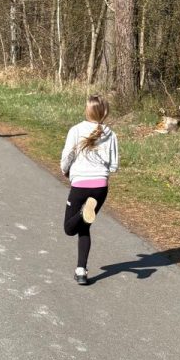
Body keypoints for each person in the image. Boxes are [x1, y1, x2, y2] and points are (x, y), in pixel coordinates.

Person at [59, 95, 119, 286]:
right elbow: (114, 166)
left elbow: (67, 155)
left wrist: (65, 170)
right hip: (100, 187)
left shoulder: (76, 130)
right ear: (104, 112)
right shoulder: (111, 134)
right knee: (84, 227)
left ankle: (84, 212)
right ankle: (81, 270)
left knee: (70, 228)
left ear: (88, 110)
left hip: (80, 185)